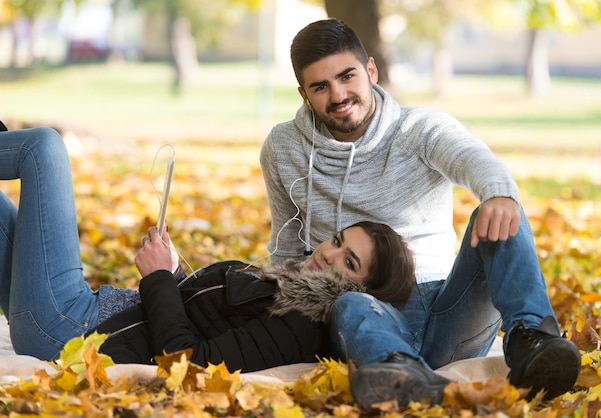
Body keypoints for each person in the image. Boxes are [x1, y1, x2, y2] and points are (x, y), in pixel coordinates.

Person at [260, 18, 581, 408]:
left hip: (448, 303)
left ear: (371, 70)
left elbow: (472, 158)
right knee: (349, 303)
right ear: (303, 94)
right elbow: (287, 248)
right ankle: (399, 374)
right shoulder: (283, 147)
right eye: (321, 86)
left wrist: (499, 194)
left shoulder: (418, 128)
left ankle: (535, 340)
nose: (339, 94)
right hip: (364, 308)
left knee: (497, 213)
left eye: (347, 76)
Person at [0, 125, 416, 373]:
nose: (328, 253)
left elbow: (190, 363)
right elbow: (203, 316)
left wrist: (159, 279)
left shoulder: (299, 326)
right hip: (87, 313)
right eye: (338, 241)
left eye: (349, 263)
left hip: (72, 333)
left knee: (43, 148)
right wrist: (176, 271)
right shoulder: (286, 284)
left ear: (363, 294)